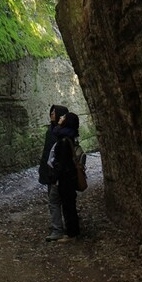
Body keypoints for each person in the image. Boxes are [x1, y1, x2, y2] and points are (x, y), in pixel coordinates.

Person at [38, 104, 69, 241]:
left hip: (59, 172)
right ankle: (59, 226)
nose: (52, 114)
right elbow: (47, 153)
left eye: (54, 113)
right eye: (51, 112)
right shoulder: (51, 130)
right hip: (50, 171)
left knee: (57, 200)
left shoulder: (61, 132)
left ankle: (59, 229)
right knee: (54, 199)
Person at [50, 111, 81, 242]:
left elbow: (61, 163)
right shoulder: (69, 135)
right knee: (69, 204)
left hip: (65, 178)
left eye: (63, 117)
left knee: (68, 205)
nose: (60, 117)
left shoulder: (63, 139)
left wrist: (55, 177)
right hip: (69, 176)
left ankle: (71, 234)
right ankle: (73, 231)